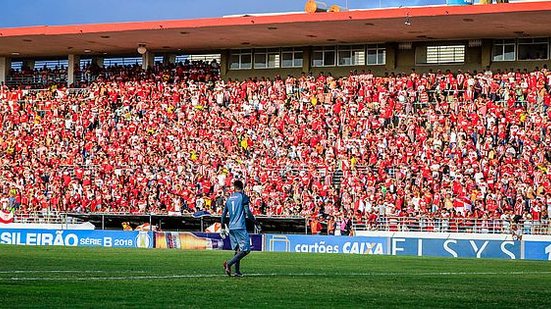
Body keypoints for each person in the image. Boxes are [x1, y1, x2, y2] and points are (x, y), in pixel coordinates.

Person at [221, 180, 256, 277]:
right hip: (240, 226)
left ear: (234, 187)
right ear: (242, 187)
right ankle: (229, 263)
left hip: (231, 227)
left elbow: (224, 214)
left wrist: (222, 225)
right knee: (246, 250)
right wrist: (256, 222)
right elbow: (248, 213)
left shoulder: (229, 198)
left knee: (237, 250)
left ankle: (237, 271)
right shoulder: (243, 197)